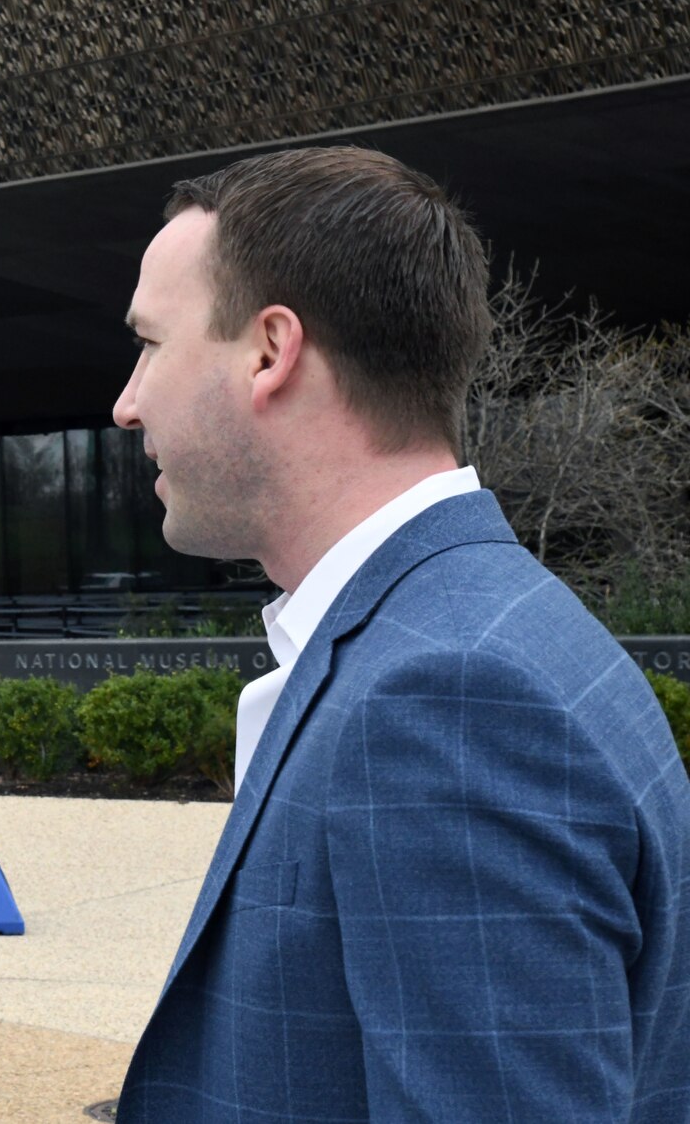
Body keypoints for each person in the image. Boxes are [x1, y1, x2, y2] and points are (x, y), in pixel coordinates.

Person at [109, 147, 690, 1121]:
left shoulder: (447, 697)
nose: (127, 401)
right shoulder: (474, 634)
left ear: (268, 351)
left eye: (150, 345)